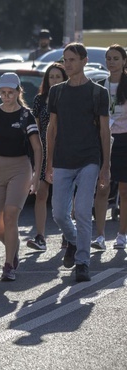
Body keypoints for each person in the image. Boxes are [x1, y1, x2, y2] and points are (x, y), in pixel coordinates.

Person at [47, 43, 111, 282]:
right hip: (63, 159)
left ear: (84, 61)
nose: (68, 64)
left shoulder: (98, 92)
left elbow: (104, 131)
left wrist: (106, 165)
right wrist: (48, 162)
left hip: (89, 158)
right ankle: (73, 241)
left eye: (72, 60)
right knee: (59, 213)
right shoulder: (57, 92)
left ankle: (83, 262)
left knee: (83, 211)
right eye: (66, 60)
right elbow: (51, 128)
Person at [0, 73, 43, 281]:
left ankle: (8, 266)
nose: (6, 97)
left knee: (10, 215)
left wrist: (36, 175)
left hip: (20, 168)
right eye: (3, 93)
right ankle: (12, 249)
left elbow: (37, 147)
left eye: (10, 93)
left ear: (18, 92)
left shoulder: (26, 116)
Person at [28, 62, 67, 251]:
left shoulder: (69, 97)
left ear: (64, 78)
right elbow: (35, 128)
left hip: (65, 150)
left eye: (58, 76)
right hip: (44, 149)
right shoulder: (39, 99)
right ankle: (40, 236)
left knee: (64, 196)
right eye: (51, 77)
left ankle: (67, 235)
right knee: (41, 193)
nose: (54, 80)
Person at [92, 44, 127, 250]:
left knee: (124, 189)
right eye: (109, 58)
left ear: (124, 61)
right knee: (102, 187)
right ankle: (100, 236)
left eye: (116, 58)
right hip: (104, 140)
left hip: (124, 140)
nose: (111, 62)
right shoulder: (99, 85)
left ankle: (122, 234)